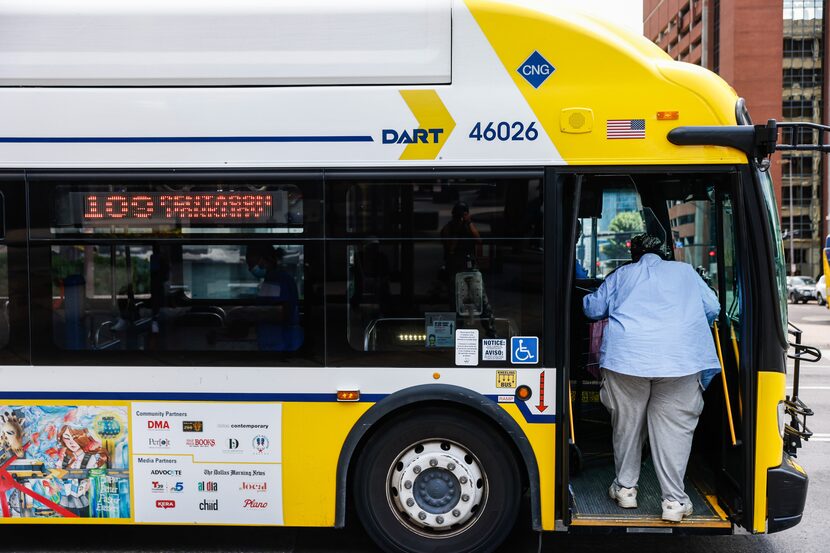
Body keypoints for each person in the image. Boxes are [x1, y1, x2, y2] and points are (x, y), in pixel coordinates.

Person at [582, 233, 720, 522]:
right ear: (666, 253)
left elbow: (592, 309)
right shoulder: (686, 272)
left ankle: (625, 490)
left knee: (627, 425)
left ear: (634, 253)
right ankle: (673, 502)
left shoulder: (622, 274)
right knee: (674, 430)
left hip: (627, 360)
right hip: (680, 362)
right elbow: (713, 308)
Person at [440, 202, 495, 334]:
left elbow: (478, 240)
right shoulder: (448, 228)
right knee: (456, 302)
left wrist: (468, 223)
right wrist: (457, 232)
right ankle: (459, 331)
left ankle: (490, 330)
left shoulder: (468, 226)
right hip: (455, 269)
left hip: (470, 268)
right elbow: (450, 249)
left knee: (482, 300)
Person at [245, 244, 303, 351]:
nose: (250, 269)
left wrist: (245, 314)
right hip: (275, 341)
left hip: (279, 342)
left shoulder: (276, 280)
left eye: (251, 265)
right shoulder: (275, 278)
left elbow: (276, 312)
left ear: (262, 260)